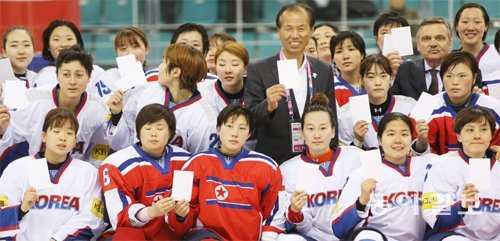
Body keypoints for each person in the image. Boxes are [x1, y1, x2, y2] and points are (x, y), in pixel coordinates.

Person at [167, 104, 282, 240]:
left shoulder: (268, 167)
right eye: (229, 126)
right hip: (207, 237)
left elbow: (275, 213)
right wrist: (180, 215)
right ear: (218, 129)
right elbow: (176, 209)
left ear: (249, 134)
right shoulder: (195, 162)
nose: (235, 133)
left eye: (242, 128)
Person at [245, 3, 337, 165]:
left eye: (301, 28)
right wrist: (268, 105)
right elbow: (249, 121)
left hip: (316, 160)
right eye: (288, 29)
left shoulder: (323, 70)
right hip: (274, 161)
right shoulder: (259, 69)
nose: (295, 35)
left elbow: (331, 118)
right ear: (279, 31)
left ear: (311, 31)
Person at [262, 93, 362, 241]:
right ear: (302, 133)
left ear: (333, 131)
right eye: (310, 129)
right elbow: (302, 227)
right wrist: (295, 211)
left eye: (323, 128)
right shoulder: (288, 170)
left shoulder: (356, 157)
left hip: (353, 235)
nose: (317, 135)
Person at [0, 108, 105, 240]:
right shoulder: (17, 168)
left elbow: (92, 220)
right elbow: (2, 217)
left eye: (69, 133)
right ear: (44, 136)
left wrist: (57, 239)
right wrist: (21, 209)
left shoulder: (89, 173)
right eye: (56, 131)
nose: (62, 137)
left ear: (75, 140)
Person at [0, 46, 110, 172]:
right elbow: (10, 134)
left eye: (79, 75)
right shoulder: (32, 99)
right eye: (66, 74)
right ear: (57, 75)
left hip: (76, 174)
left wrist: (90, 173)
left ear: (89, 77)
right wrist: (2, 129)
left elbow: (100, 148)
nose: (72, 81)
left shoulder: (100, 108)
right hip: (37, 170)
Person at [332, 112, 436, 240]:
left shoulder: (427, 166)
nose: (398, 140)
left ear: (411, 138)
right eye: (391, 134)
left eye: (404, 134)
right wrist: (361, 202)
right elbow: (338, 229)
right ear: (380, 140)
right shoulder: (363, 172)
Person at [99, 103, 191, 240]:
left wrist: (180, 215)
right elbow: (120, 217)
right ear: (138, 132)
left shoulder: (186, 160)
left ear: (171, 133)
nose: (153, 133)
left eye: (160, 128)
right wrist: (151, 212)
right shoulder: (115, 164)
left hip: (172, 234)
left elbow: (192, 207)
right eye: (148, 128)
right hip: (137, 235)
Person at [107, 43, 218, 154]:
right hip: (138, 167)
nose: (159, 67)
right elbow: (123, 143)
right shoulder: (145, 91)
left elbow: (201, 163)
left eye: (164, 62)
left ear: (175, 72)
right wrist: (117, 114)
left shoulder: (205, 119)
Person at [422, 106, 499, 240]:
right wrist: (461, 205)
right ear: (458, 135)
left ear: (492, 134)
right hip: (454, 236)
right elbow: (436, 220)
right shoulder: (441, 164)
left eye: (484, 130)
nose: (477, 136)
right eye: (470, 130)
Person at [413, 51, 500, 155]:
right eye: (449, 76)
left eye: (462, 76)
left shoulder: (494, 107)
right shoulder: (425, 104)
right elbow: (412, 154)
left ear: (474, 78)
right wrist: (421, 142)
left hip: (480, 167)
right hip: (438, 168)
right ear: (442, 77)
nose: (455, 82)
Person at [338, 54, 417, 150]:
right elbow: (344, 158)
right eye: (371, 77)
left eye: (383, 76)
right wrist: (357, 140)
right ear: (361, 80)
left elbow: (419, 150)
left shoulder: (409, 107)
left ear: (391, 78)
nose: (378, 82)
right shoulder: (346, 114)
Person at [391, 17, 452, 100]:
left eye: (439, 38)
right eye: (426, 39)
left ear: (450, 44)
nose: (433, 44)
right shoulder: (405, 70)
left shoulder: (461, 72)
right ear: (418, 45)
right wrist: (390, 77)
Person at [31, 19, 104, 89]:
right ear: (48, 46)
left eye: (69, 39)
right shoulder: (43, 77)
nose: (63, 44)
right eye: (56, 39)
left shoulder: (97, 73)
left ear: (78, 43)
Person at [90, 27, 151, 101]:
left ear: (147, 49)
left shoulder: (155, 79)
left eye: (135, 46)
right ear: (117, 53)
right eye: (123, 49)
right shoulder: (106, 79)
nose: (130, 53)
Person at [145, 23, 212, 82]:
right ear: (172, 47)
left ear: (204, 52)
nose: (188, 49)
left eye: (195, 44)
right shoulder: (150, 78)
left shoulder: (213, 83)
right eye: (183, 43)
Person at [198, 41, 247, 112]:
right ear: (216, 66)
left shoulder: (258, 91)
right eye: (222, 64)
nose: (228, 70)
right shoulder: (202, 91)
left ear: (246, 67)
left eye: (235, 64)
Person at [454, 3, 500, 78]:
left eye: (477, 22)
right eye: (465, 22)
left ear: (486, 26)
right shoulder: (450, 60)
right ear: (456, 26)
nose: (470, 28)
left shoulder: (497, 54)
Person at [331, 31, 366, 108]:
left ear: (362, 54)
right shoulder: (330, 89)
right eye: (339, 51)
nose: (345, 56)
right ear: (333, 59)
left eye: (351, 49)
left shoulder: (374, 83)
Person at [372, 12, 408, 78]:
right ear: (376, 39)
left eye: (396, 32)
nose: (390, 36)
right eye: (384, 33)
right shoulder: (369, 68)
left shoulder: (414, 68)